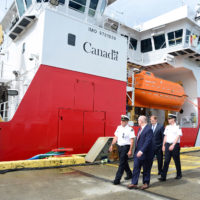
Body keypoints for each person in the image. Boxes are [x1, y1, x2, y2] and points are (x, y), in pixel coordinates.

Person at [128, 115, 154, 190]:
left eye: (138, 120)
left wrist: (142, 151)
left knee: (146, 169)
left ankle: (146, 183)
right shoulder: (140, 128)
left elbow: (147, 142)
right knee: (136, 167)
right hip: (138, 152)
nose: (138, 122)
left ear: (141, 121)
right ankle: (134, 183)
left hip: (145, 153)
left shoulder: (148, 129)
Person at [109, 115, 135, 185]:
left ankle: (117, 179)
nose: (122, 122)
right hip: (119, 147)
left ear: (127, 122)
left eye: (123, 121)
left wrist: (130, 150)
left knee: (121, 164)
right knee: (124, 162)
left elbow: (132, 140)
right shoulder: (118, 127)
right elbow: (115, 137)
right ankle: (130, 174)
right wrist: (112, 145)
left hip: (126, 147)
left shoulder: (130, 129)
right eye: (121, 121)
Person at [158, 114, 182, 181]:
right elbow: (165, 136)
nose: (168, 120)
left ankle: (179, 174)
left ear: (173, 119)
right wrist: (163, 145)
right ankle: (163, 176)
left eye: (169, 119)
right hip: (167, 145)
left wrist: (173, 145)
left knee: (176, 160)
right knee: (166, 161)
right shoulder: (167, 127)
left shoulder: (177, 127)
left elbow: (178, 136)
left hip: (175, 145)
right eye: (168, 119)